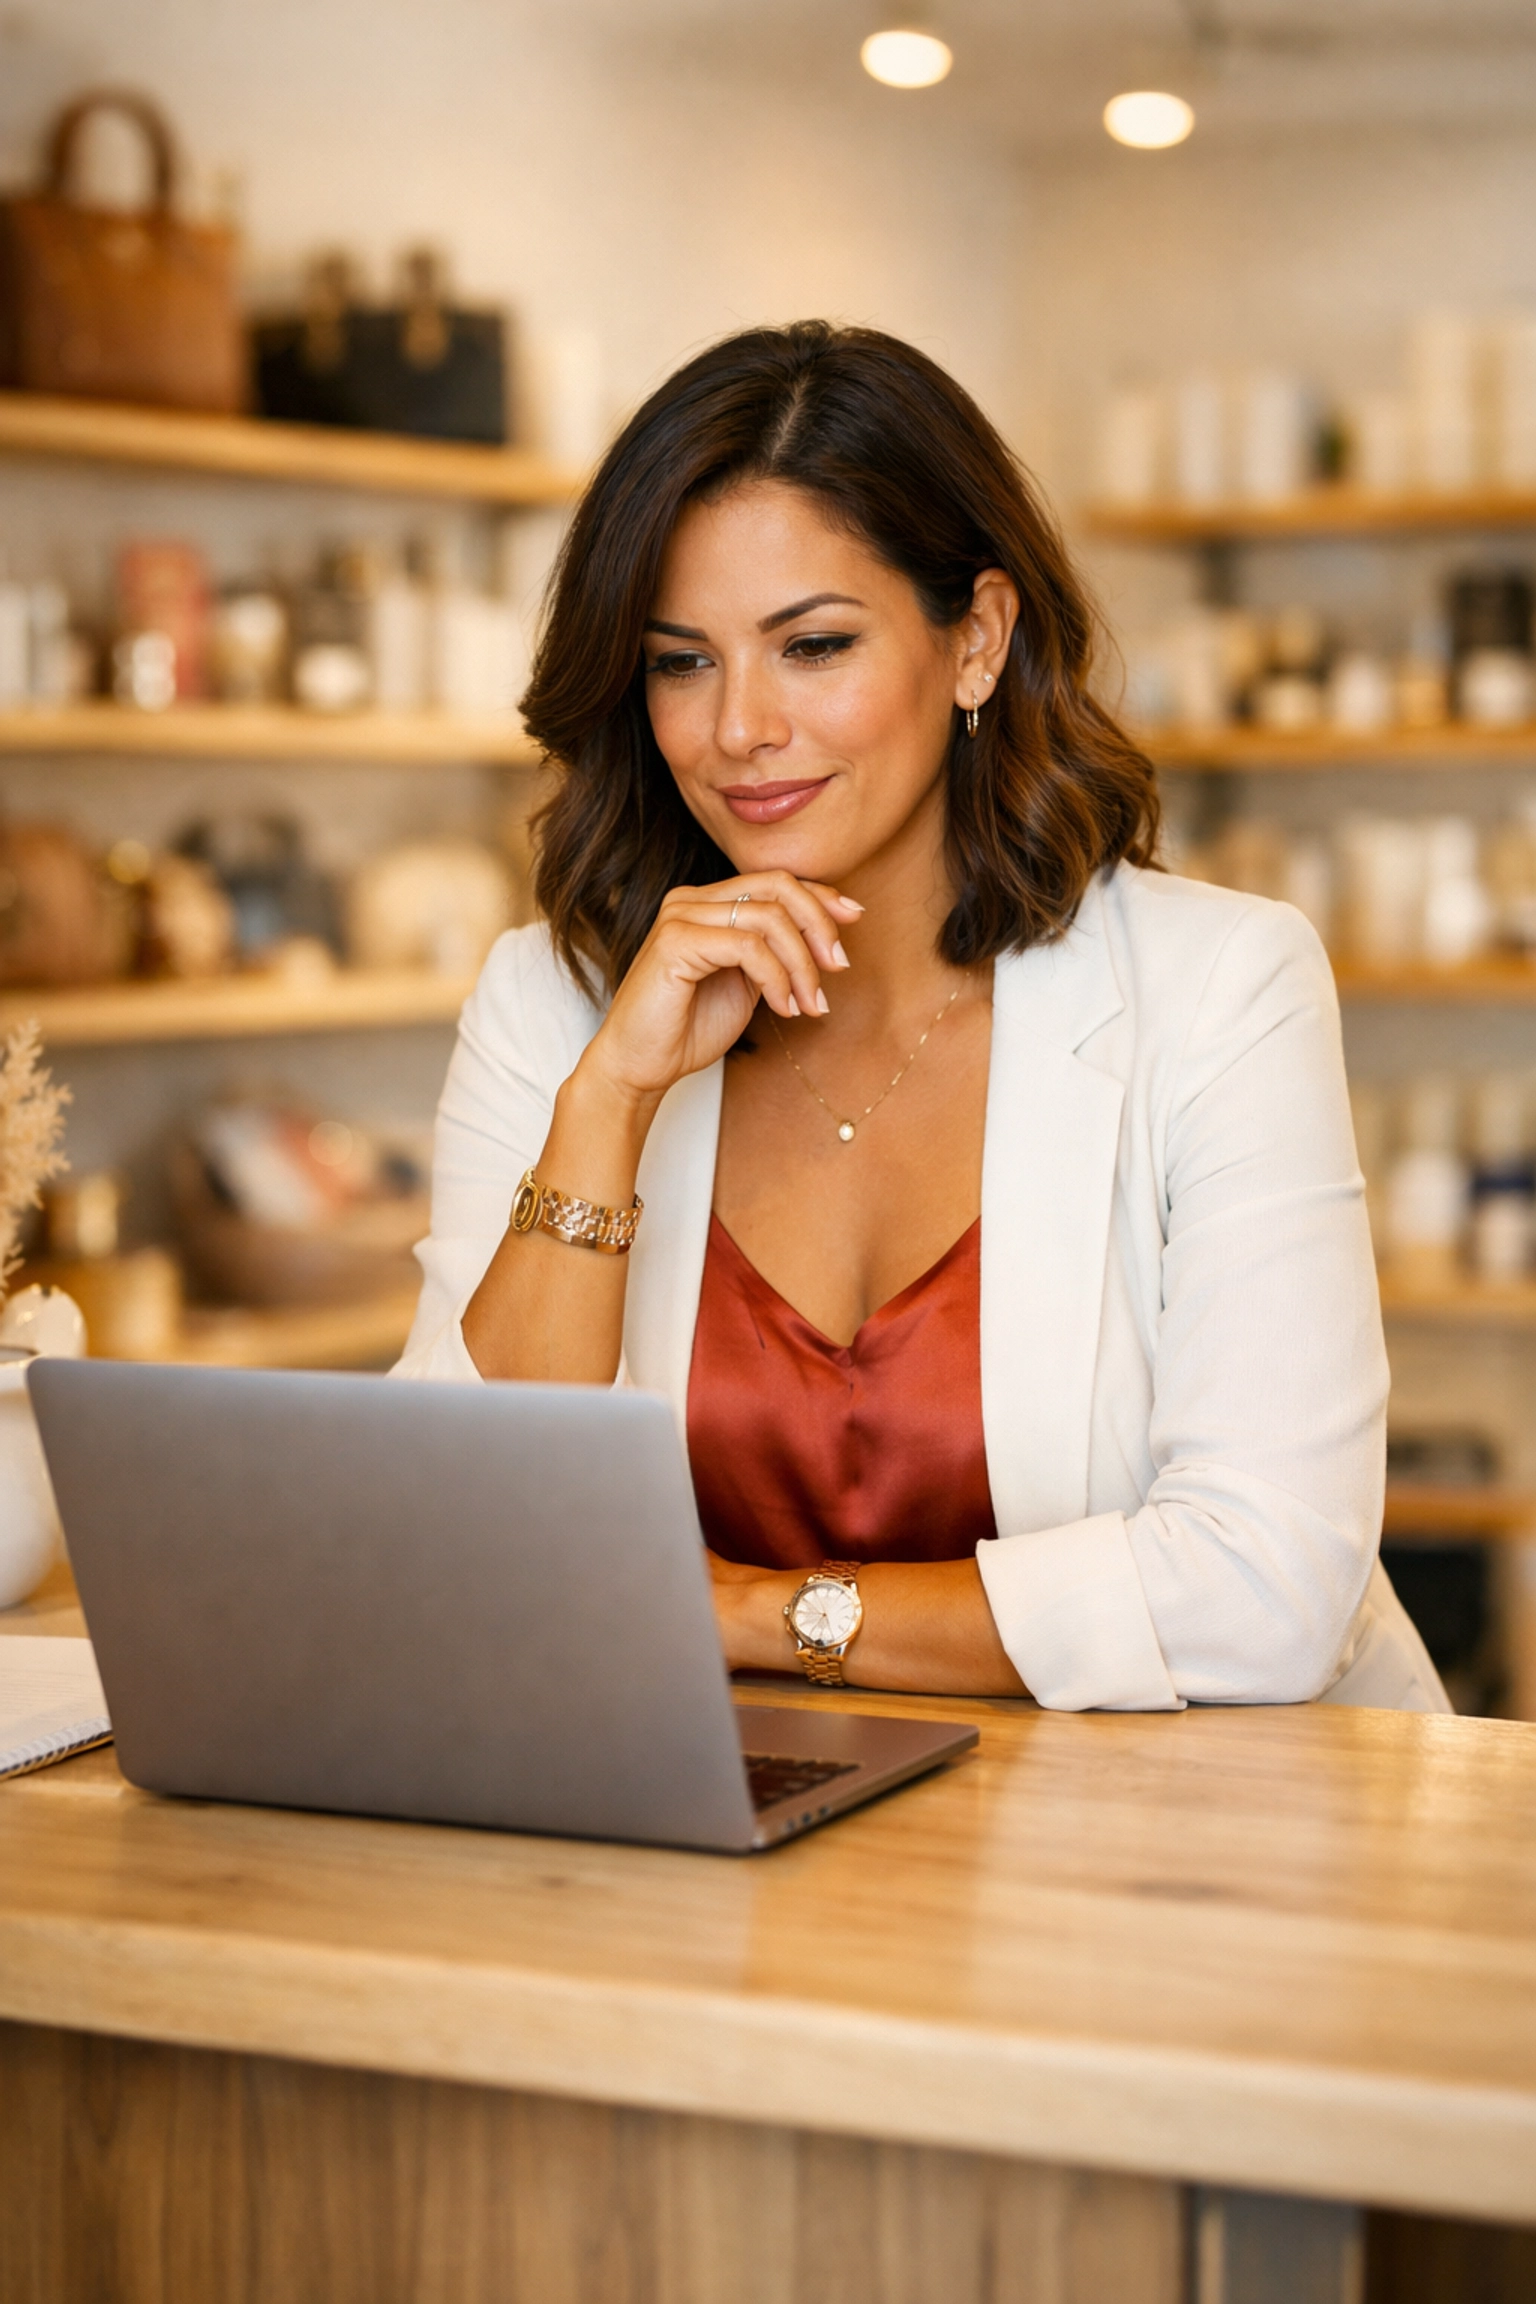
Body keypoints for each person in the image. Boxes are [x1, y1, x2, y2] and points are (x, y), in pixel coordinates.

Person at [394, 320, 1446, 1714]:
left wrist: (756, 1615)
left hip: (1181, 1829)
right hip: (713, 1817)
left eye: (813, 645)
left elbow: (1266, 1591)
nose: (738, 728)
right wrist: (609, 1104)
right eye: (680, 662)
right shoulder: (557, 1003)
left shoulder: (1219, 988)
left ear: (978, 641)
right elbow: (449, 1544)